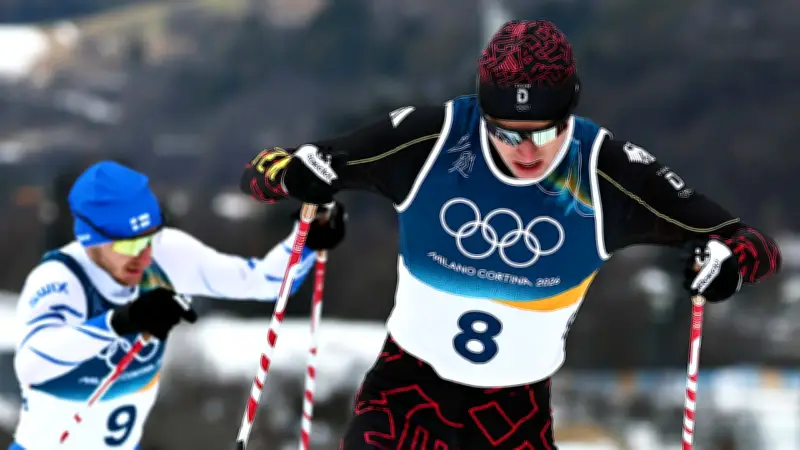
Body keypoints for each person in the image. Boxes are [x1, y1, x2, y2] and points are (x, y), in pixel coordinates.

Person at [239, 19, 782, 450]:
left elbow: (751, 245)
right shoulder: (433, 141)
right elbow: (263, 171)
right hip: (406, 395)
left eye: (545, 133)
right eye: (506, 133)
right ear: (482, 112)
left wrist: (729, 265)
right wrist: (292, 175)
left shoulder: (604, 174)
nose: (526, 151)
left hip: (512, 417)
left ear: (571, 110)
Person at [10, 161, 346, 450]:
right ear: (91, 240)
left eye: (149, 239)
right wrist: (121, 321)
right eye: (129, 246)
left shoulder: (164, 255)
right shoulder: (61, 279)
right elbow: (33, 364)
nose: (143, 256)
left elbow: (261, 283)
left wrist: (304, 241)